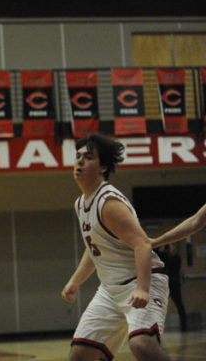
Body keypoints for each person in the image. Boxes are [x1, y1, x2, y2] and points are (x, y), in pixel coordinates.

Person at [61, 133, 171, 361]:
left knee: (142, 345)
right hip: (110, 291)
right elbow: (96, 249)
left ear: (102, 168)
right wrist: (75, 281)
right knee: (80, 356)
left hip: (142, 281)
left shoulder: (108, 202)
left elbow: (142, 244)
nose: (79, 161)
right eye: (78, 156)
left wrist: (142, 288)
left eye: (88, 157)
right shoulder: (81, 203)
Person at [154, 245, 187, 331]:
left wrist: (173, 253)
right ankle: (157, 326)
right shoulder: (162, 255)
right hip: (164, 285)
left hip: (174, 284)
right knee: (159, 306)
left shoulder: (176, 257)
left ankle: (184, 326)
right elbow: (154, 252)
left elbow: (175, 266)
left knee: (179, 304)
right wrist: (160, 249)